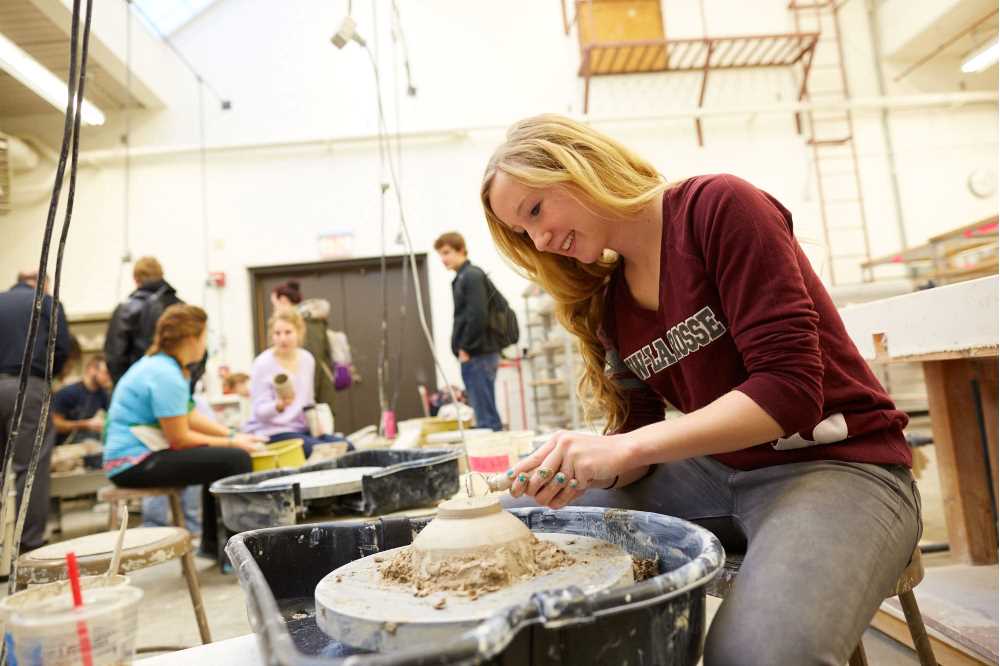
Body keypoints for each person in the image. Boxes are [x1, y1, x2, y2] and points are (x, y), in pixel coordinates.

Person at [482, 115, 920, 665]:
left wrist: (626, 447)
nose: (540, 240)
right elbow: (638, 437)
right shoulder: (612, 304)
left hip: (839, 464)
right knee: (505, 520)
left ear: (579, 165)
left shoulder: (717, 207)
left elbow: (789, 390)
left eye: (535, 211)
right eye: (524, 233)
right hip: (717, 472)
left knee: (756, 656)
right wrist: (594, 466)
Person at [103, 304, 262, 559]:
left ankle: (213, 547)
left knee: (224, 458)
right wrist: (233, 444)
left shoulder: (161, 365)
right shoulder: (166, 374)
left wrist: (232, 435)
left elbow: (189, 416)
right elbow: (180, 439)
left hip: (134, 459)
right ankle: (237, 553)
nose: (205, 344)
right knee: (235, 459)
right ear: (190, 339)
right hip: (133, 464)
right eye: (204, 336)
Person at [0, 270, 71, 551]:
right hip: (28, 386)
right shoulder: (47, 302)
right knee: (30, 468)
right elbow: (61, 348)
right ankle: (28, 545)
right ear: (44, 283)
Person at [244, 309, 337, 457]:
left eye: (288, 332)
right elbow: (259, 412)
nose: (282, 338)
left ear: (299, 332)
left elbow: (308, 401)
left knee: (346, 447)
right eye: (277, 333)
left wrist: (316, 424)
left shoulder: (307, 359)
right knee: (323, 451)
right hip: (273, 432)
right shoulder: (262, 364)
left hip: (302, 430)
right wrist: (279, 406)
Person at [433, 232, 503, 431]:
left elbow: (478, 315)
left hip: (477, 354)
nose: (443, 259)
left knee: (486, 418)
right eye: (441, 254)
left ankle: (491, 450)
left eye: (447, 252)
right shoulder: (463, 277)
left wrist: (465, 348)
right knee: (484, 412)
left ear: (461, 250)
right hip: (477, 354)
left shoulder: (471, 276)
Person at [104, 256, 206, 390]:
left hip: (139, 389)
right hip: (177, 387)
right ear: (161, 275)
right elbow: (198, 350)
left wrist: (129, 389)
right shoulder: (181, 309)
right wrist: (187, 385)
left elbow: (114, 357)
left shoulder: (125, 310)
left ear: (136, 279)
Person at [52, 355, 112, 444]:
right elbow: (55, 425)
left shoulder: (103, 395)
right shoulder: (68, 393)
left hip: (89, 441)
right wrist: (86, 424)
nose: (109, 377)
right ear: (92, 370)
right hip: (65, 444)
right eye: (106, 373)